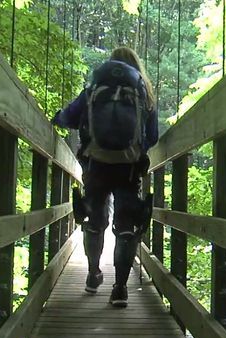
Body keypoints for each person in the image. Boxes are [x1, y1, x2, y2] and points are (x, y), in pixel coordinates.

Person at [51, 47, 158, 307]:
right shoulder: (142, 91)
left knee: (95, 220)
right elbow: (152, 136)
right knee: (125, 225)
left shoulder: (96, 86)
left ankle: (92, 275)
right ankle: (120, 289)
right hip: (128, 167)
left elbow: (71, 117)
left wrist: (58, 118)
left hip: (96, 165)